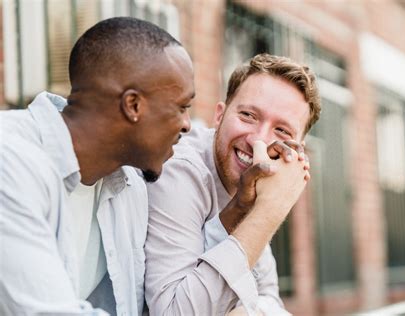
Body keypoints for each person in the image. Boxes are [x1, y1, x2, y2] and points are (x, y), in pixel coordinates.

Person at [0, 17, 194, 315]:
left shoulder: (128, 184)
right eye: (182, 107)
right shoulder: (10, 160)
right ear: (133, 106)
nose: (187, 125)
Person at [145, 53, 321, 315]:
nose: (258, 141)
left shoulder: (256, 185)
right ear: (220, 115)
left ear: (296, 153)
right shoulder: (180, 168)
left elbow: (270, 297)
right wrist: (269, 211)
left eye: (282, 131)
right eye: (249, 115)